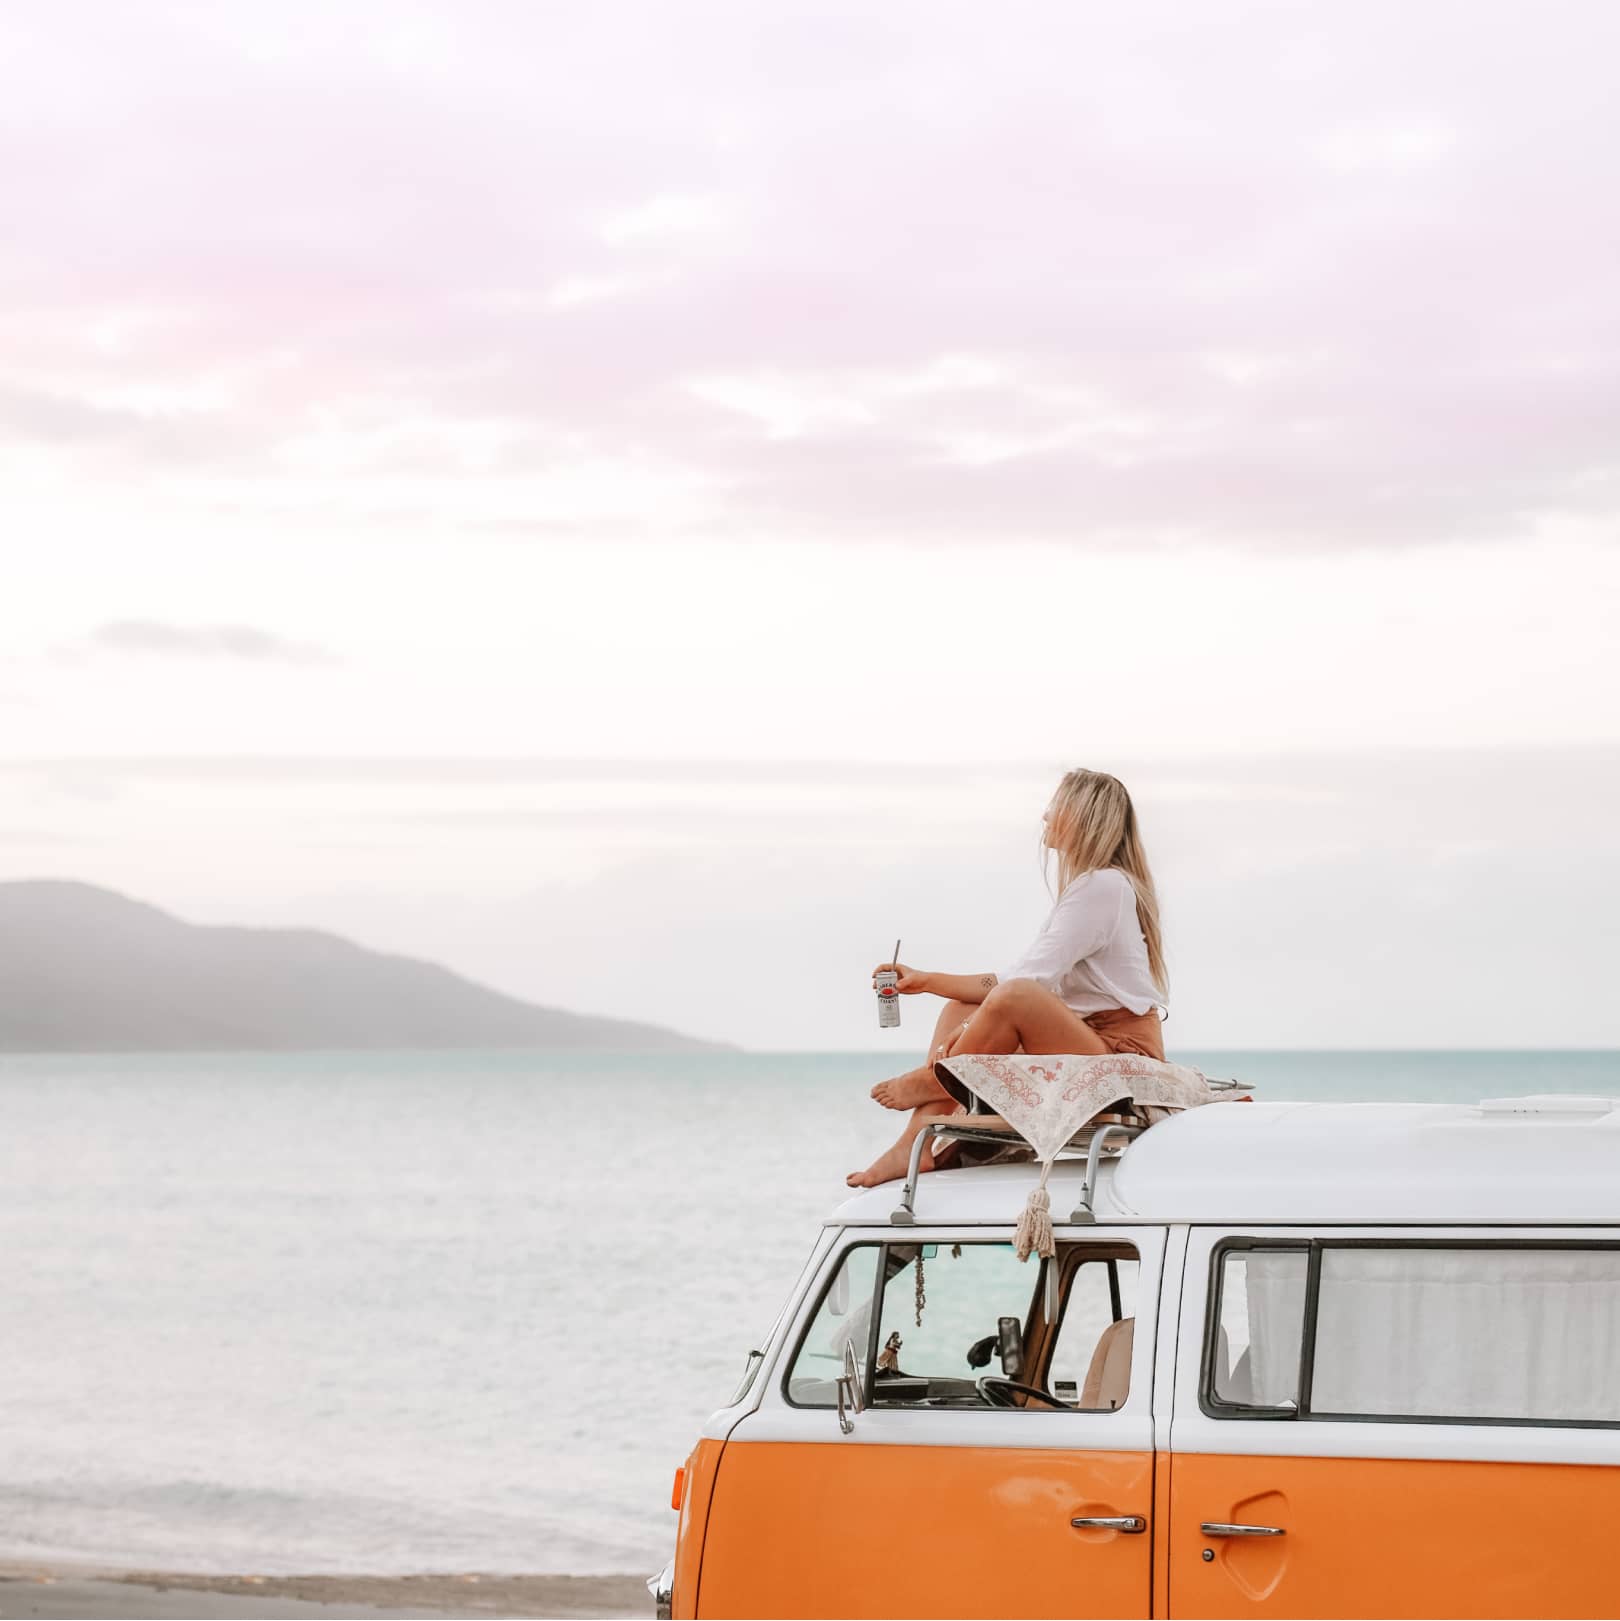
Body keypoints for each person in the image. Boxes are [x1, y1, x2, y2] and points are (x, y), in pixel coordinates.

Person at [847, 768, 1168, 1189]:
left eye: (1056, 807)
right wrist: (925, 981)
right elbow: (1013, 982)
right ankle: (917, 1139)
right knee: (962, 1006)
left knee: (1014, 996)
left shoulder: (1102, 887)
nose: (1046, 818)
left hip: (1120, 1049)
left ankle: (935, 1081)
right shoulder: (1094, 888)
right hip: (1089, 1039)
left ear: (1082, 816)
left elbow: (1022, 986)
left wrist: (948, 1015)